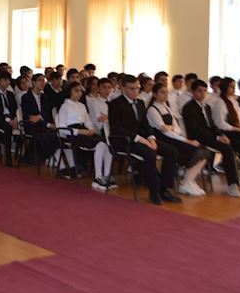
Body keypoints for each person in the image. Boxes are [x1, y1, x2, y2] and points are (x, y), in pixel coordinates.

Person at [108, 75, 181, 205]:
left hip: (141, 139)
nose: (135, 91)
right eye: (131, 88)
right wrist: (141, 139)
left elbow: (145, 125)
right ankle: (154, 192)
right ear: (123, 88)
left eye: (137, 88)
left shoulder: (140, 103)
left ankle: (164, 188)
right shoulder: (115, 104)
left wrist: (151, 138)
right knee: (150, 153)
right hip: (124, 140)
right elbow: (117, 129)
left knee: (172, 151)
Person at [182, 80, 240, 197]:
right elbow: (196, 130)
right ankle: (232, 184)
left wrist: (222, 135)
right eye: (199, 91)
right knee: (227, 148)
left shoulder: (207, 107)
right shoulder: (189, 108)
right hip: (198, 138)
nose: (202, 94)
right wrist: (217, 137)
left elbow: (213, 126)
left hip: (211, 136)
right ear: (193, 92)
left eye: (205, 91)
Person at [146, 83, 208, 196]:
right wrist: (185, 140)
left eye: (166, 92)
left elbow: (175, 128)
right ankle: (185, 183)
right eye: (162, 92)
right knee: (195, 151)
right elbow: (164, 130)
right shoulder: (152, 110)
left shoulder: (167, 108)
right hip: (163, 139)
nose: (165, 95)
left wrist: (179, 135)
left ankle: (189, 181)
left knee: (204, 151)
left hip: (174, 137)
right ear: (154, 94)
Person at [57, 82, 113, 191]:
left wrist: (91, 129)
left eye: (80, 91)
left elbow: (88, 121)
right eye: (76, 91)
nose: (79, 93)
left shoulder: (82, 105)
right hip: (73, 133)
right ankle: (98, 177)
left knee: (107, 144)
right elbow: (62, 127)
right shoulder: (65, 106)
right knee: (100, 144)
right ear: (70, 92)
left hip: (84, 130)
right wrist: (80, 131)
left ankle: (107, 175)